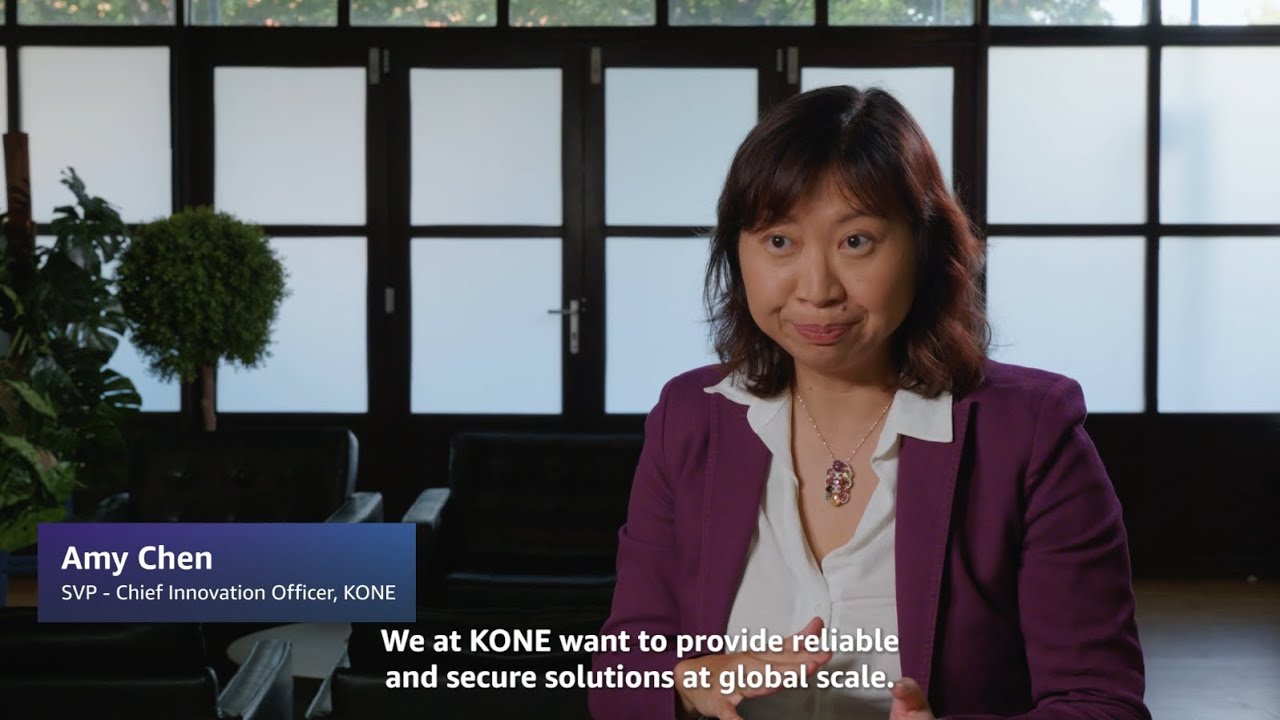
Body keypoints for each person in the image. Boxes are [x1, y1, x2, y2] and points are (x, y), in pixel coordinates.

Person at [587, 86, 1150, 720]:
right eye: (779, 242)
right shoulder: (691, 417)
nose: (817, 289)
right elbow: (624, 669)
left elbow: (1100, 704)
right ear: (736, 253)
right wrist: (685, 681)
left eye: (856, 241)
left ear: (925, 247)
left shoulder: (1030, 433)